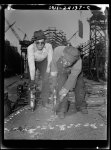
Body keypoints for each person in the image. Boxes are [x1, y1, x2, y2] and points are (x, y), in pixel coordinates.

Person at [50, 45, 88, 119]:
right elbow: (54, 66)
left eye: (68, 62)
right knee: (61, 84)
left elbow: (71, 80)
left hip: (75, 72)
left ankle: (81, 105)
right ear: (63, 55)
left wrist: (64, 90)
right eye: (65, 60)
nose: (65, 63)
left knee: (80, 85)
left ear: (73, 62)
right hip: (62, 69)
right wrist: (54, 82)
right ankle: (62, 109)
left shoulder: (78, 63)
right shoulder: (57, 51)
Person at [27, 30, 53, 106]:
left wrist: (47, 73)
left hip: (43, 61)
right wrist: (32, 80)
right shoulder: (30, 48)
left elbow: (50, 61)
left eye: (42, 42)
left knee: (46, 80)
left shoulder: (49, 46)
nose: (40, 45)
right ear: (34, 42)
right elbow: (32, 66)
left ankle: (45, 100)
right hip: (34, 62)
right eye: (38, 42)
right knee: (31, 81)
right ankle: (31, 101)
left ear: (45, 41)